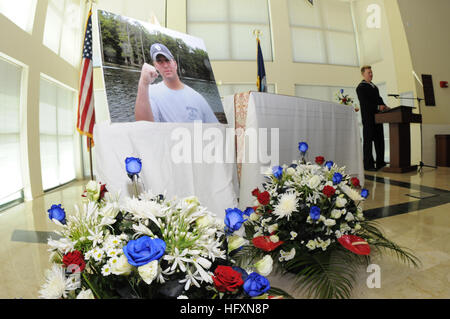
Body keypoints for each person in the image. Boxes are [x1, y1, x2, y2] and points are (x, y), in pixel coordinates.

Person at [134, 43, 218, 123]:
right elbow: (145, 126)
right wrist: (143, 83)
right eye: (160, 61)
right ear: (156, 66)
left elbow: (215, 127)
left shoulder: (197, 98)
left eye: (167, 60)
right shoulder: (150, 92)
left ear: (175, 64)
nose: (165, 65)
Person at [356, 65, 390, 171]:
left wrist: (384, 106)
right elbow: (365, 104)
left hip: (378, 119)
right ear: (363, 74)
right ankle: (368, 165)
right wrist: (377, 107)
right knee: (368, 143)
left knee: (380, 141)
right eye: (369, 73)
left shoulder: (374, 87)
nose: (371, 74)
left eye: (371, 72)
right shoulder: (360, 87)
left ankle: (380, 162)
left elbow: (379, 99)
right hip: (368, 119)